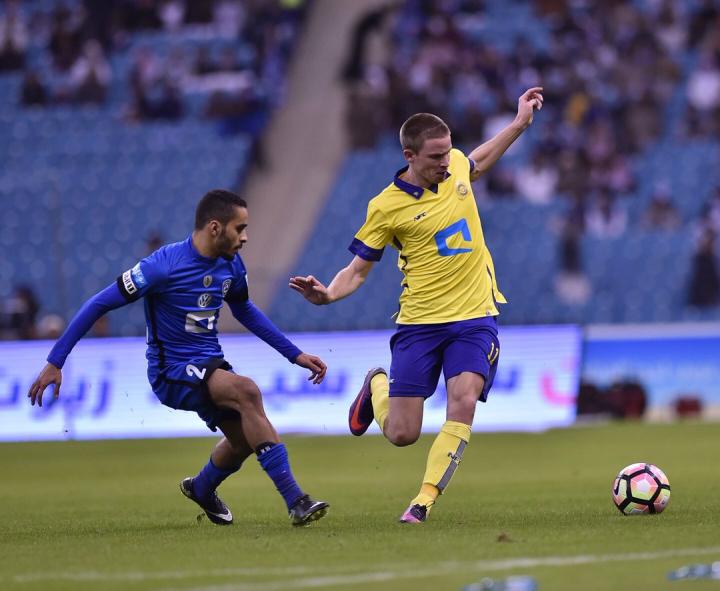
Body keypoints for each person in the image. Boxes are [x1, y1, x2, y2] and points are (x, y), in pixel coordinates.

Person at [290, 87, 544, 523]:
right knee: (403, 434)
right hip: (420, 325)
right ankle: (377, 384)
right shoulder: (385, 208)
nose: (446, 163)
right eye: (435, 158)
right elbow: (357, 270)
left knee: (463, 400)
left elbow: (476, 161)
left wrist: (519, 123)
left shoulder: (457, 167)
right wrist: (327, 294)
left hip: (474, 318)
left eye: (447, 154)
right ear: (409, 155)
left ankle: (422, 500)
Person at [29, 190, 330, 527]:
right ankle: (296, 501)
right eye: (240, 228)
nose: (245, 237)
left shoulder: (231, 264)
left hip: (208, 364)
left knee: (245, 438)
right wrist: (56, 361)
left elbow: (244, 309)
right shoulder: (162, 266)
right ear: (215, 227)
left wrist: (295, 354)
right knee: (247, 392)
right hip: (170, 371)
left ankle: (202, 487)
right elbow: (98, 304)